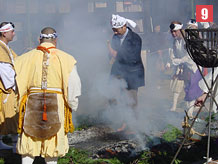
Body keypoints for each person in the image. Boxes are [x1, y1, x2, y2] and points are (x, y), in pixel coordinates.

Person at [14, 27, 81, 164]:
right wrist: (72, 103)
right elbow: (73, 85)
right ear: (56, 40)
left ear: (39, 39)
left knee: (29, 141)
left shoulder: (24, 59)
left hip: (32, 102)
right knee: (53, 140)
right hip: (56, 103)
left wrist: (17, 104)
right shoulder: (67, 59)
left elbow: (17, 84)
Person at [108, 14, 145, 131]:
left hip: (132, 73)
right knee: (113, 97)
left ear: (124, 26)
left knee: (131, 100)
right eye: (113, 30)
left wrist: (114, 53)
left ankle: (132, 125)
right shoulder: (115, 37)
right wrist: (110, 56)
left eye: (116, 30)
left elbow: (132, 57)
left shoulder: (135, 38)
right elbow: (112, 53)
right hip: (118, 72)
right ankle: (124, 121)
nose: (114, 32)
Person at [167, 21, 200, 115]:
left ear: (180, 30)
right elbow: (173, 53)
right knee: (186, 88)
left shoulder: (188, 40)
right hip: (183, 68)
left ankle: (190, 114)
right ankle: (188, 111)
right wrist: (172, 61)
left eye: (175, 31)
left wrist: (176, 61)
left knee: (192, 91)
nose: (173, 34)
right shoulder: (175, 41)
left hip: (193, 68)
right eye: (172, 32)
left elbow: (189, 57)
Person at [0, 22, 18, 152]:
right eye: (12, 31)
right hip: (7, 89)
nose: (14, 33)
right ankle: (14, 145)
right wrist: (16, 84)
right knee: (10, 115)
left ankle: (13, 143)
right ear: (4, 33)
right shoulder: (1, 50)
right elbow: (5, 72)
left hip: (9, 88)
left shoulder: (6, 48)